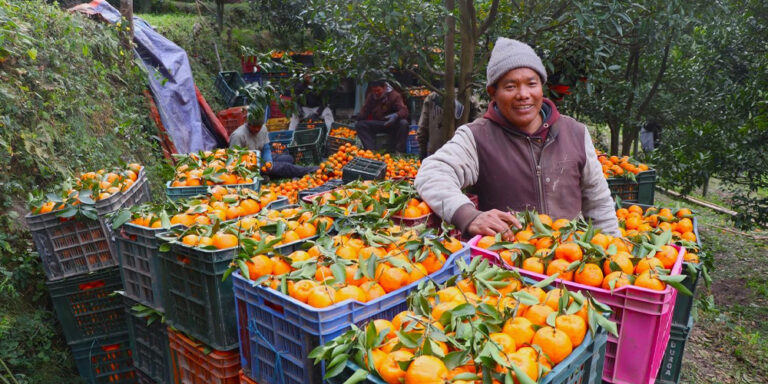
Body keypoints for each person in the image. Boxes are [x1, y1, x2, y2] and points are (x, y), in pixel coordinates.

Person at [414, 38, 620, 240]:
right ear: (493, 93)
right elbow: (432, 174)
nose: (523, 94)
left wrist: (613, 250)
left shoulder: (574, 133)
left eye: (532, 84)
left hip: (569, 263)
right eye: (511, 86)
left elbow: (598, 202)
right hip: (503, 266)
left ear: (542, 87)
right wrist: (468, 215)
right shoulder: (477, 137)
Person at [230, 104, 317, 178]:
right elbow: (234, 162)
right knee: (285, 167)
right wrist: (258, 167)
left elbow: (266, 148)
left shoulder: (263, 129)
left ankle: (269, 174)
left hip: (260, 158)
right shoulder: (238, 135)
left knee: (288, 158)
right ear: (248, 123)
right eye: (254, 126)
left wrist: (268, 161)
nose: (257, 129)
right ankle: (311, 170)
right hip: (250, 166)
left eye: (259, 126)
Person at [417, 92, 480, 159]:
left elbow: (423, 128)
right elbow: (477, 129)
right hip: (461, 153)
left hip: (436, 153)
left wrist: (422, 151)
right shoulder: (470, 98)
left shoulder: (432, 97)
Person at [355, 80, 410, 153]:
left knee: (404, 123)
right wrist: (357, 116)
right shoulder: (371, 96)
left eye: (378, 90)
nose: (376, 93)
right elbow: (365, 111)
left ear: (384, 87)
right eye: (374, 91)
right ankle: (371, 151)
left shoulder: (394, 95)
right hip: (380, 123)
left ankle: (399, 152)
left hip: (392, 124)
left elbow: (404, 110)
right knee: (360, 125)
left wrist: (396, 115)